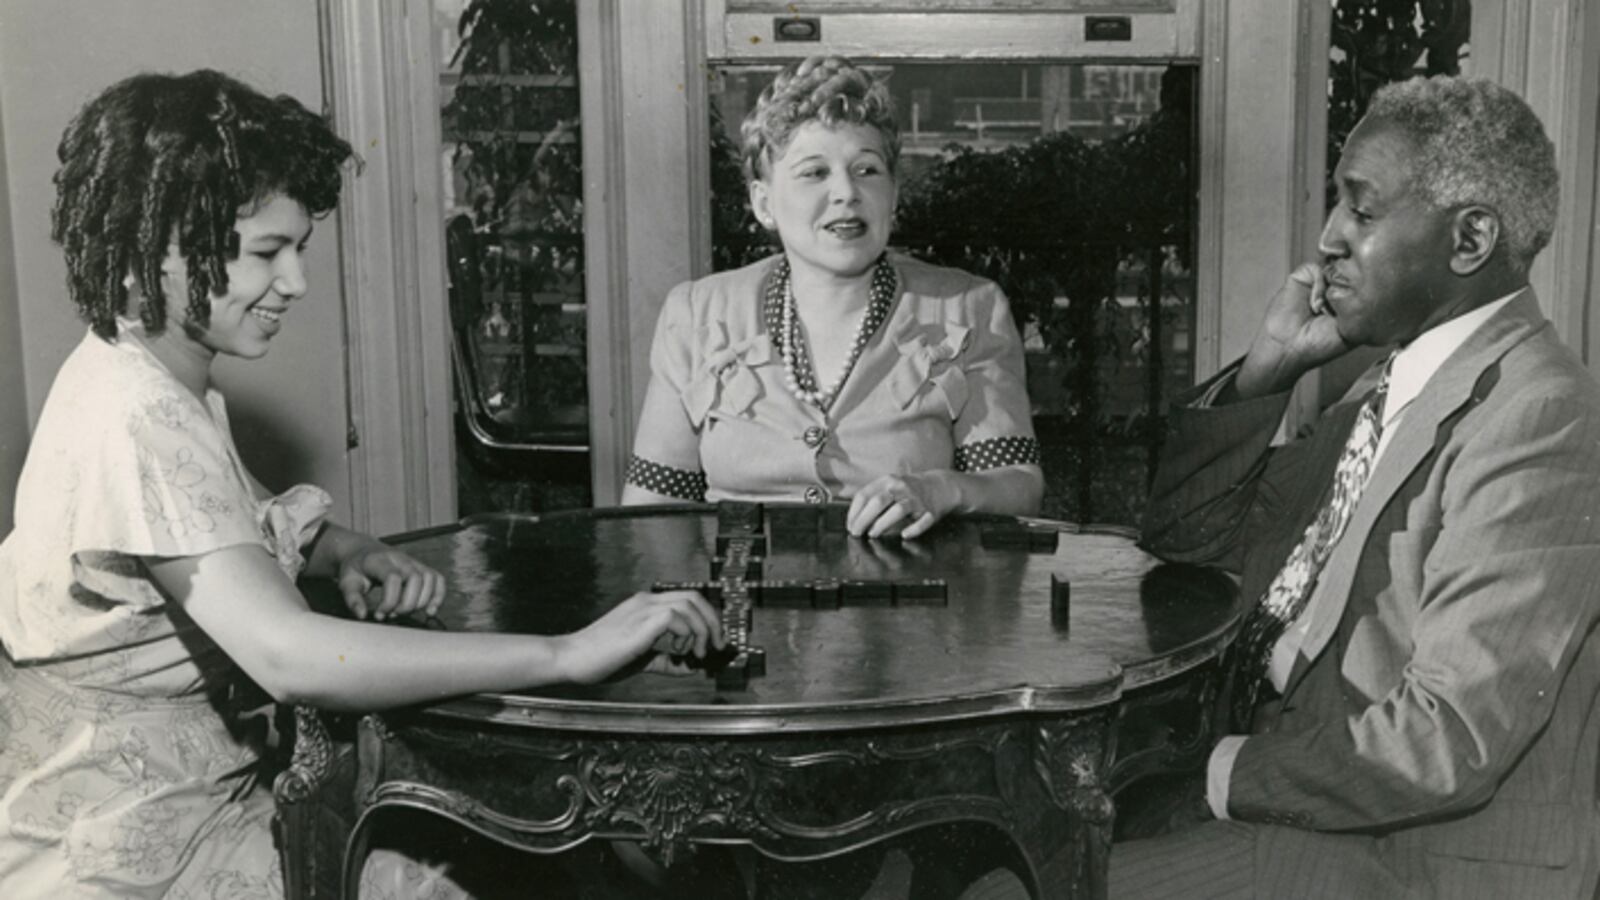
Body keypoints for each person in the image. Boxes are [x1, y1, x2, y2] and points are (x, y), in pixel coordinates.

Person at [0, 69, 722, 899]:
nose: (296, 282)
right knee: (505, 870)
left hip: (174, 795)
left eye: (298, 249)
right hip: (132, 848)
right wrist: (568, 652)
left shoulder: (147, 373)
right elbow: (289, 656)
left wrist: (338, 547)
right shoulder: (136, 413)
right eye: (267, 252)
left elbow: (205, 535)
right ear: (157, 247)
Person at [966, 74, 1600, 900]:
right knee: (1004, 842)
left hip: (1397, 858)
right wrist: (1269, 368)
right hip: (1304, 791)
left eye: (1362, 211)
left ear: (1470, 239)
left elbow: (1447, 743)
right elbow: (1189, 538)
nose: (1329, 238)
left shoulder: (1540, 415)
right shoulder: (1386, 384)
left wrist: (1215, 772)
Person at [621, 55, 1044, 539]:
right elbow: (649, 512)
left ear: (894, 194)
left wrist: (939, 488)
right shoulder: (697, 314)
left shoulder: (968, 307)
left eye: (867, 170)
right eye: (814, 173)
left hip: (909, 603)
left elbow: (1019, 484)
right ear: (764, 203)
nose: (846, 191)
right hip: (739, 601)